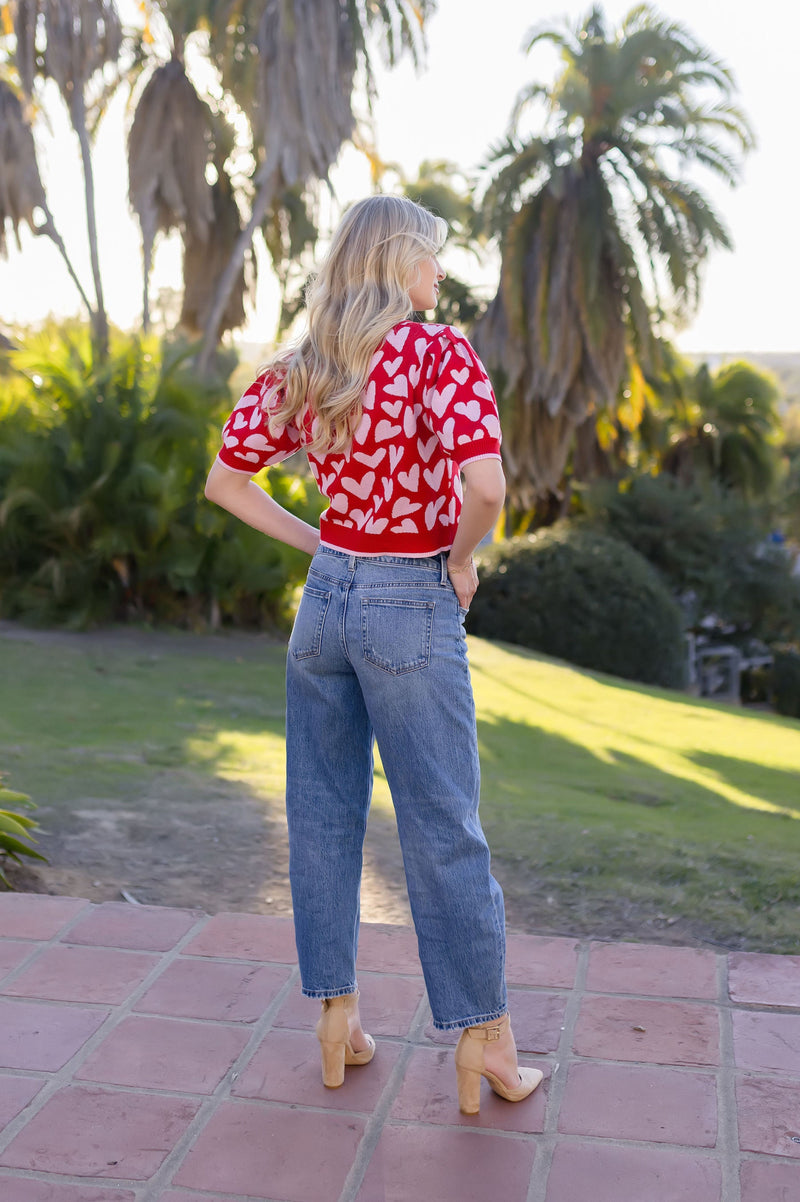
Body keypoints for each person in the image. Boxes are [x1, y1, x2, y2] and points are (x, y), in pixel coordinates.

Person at [205, 194, 542, 1115]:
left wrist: (323, 546)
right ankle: (487, 1042)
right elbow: (487, 485)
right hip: (408, 597)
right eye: (431, 258)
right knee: (443, 822)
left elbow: (225, 482)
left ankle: (336, 1022)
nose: (439, 274)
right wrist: (460, 558)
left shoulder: (305, 364)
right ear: (400, 263)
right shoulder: (437, 351)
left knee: (321, 816)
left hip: (325, 606)